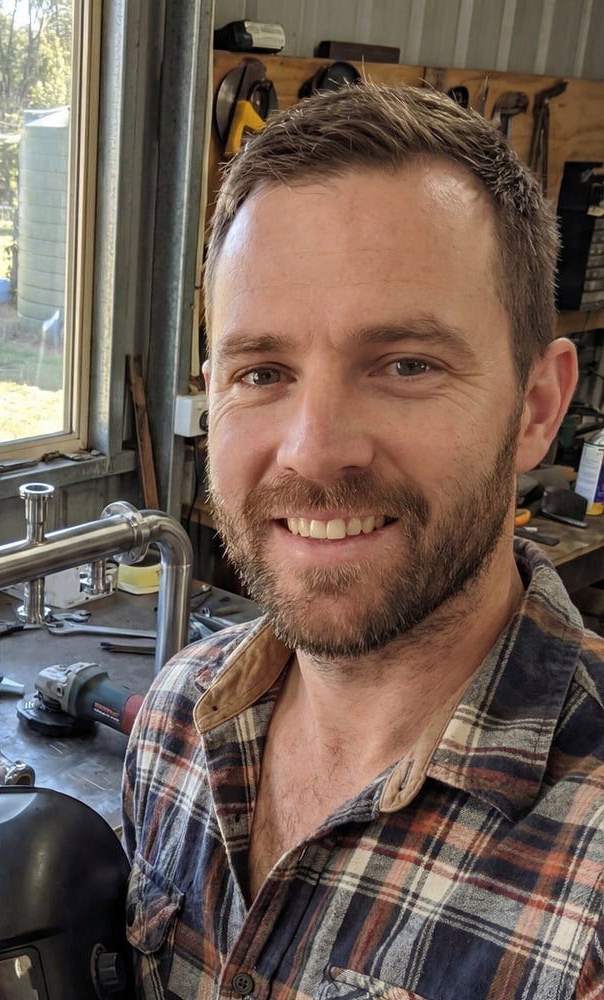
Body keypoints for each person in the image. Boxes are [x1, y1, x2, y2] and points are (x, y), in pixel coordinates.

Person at [122, 83, 604, 1000]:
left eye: (406, 365)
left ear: (537, 408)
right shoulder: (180, 720)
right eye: (262, 372)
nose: (314, 450)